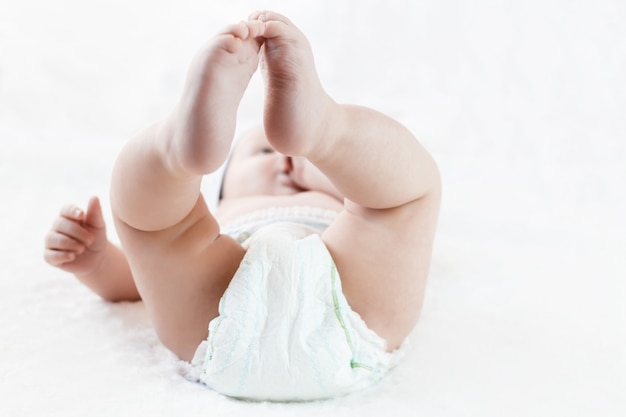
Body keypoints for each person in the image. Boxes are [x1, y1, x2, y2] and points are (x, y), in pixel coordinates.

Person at [43, 11, 441, 401]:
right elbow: (137, 281)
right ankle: (307, 136)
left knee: (157, 230)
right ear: (222, 191)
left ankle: (186, 153)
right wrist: (97, 263)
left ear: (344, 184)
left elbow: (155, 272)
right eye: (262, 150)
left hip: (223, 327)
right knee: (402, 201)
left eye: (305, 156)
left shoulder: (348, 219)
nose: (285, 158)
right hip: (312, 308)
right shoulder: (219, 223)